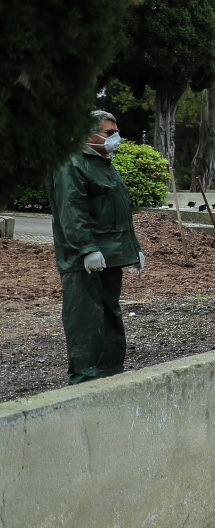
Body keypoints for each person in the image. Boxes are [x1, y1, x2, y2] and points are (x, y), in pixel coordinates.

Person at [48, 110, 145, 383]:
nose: (115, 138)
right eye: (108, 132)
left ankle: (110, 371)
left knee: (109, 312)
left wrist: (133, 248)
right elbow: (72, 211)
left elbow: (119, 211)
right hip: (84, 260)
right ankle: (85, 376)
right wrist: (86, 249)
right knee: (85, 317)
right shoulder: (71, 163)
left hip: (111, 256)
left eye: (115, 132)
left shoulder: (103, 163)